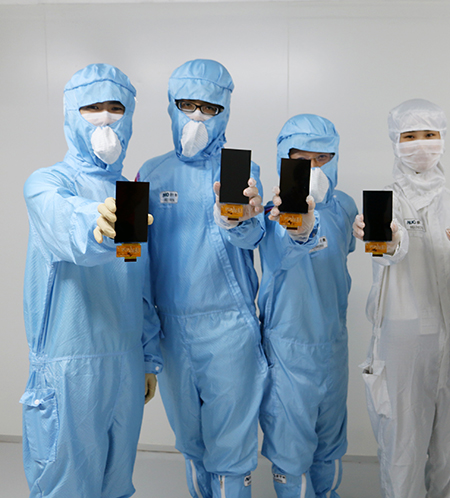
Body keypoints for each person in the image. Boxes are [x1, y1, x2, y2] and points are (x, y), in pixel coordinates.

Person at [21, 63, 162, 498]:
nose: (105, 118)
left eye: (115, 108)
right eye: (92, 107)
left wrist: (147, 358)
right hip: (69, 368)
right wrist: (95, 223)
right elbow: (66, 224)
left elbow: (139, 283)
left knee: (116, 486)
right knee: (66, 488)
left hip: (124, 365)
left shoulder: (131, 192)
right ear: (71, 113)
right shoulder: (47, 183)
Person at [137, 59, 267, 498]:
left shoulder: (240, 171)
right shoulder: (150, 173)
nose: (197, 116)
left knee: (231, 447)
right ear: (171, 105)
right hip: (172, 330)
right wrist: (146, 349)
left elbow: (253, 236)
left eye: (209, 108)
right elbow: (136, 263)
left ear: (224, 111)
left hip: (228, 326)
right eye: (187, 104)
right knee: (191, 443)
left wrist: (241, 219)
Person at [354, 98, 450, 498]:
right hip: (401, 339)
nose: (421, 144)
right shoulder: (383, 203)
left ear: (443, 139)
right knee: (402, 448)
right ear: (395, 142)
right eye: (410, 136)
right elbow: (387, 255)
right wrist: (390, 244)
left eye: (429, 134)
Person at [257, 114, 356, 498]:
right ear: (285, 160)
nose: (313, 168)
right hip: (289, 346)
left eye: (322, 158)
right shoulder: (271, 214)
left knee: (330, 443)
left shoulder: (345, 207)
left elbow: (343, 253)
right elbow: (281, 252)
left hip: (333, 343)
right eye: (302, 160)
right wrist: (298, 230)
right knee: (291, 447)